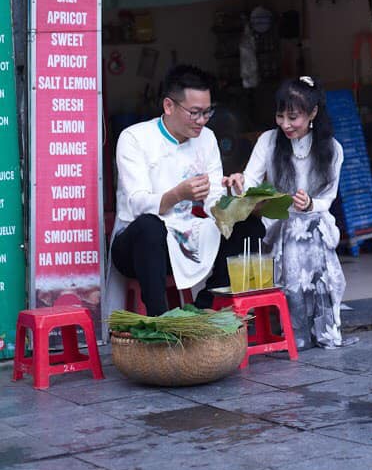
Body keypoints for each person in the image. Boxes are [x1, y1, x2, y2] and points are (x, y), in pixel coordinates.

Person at [106, 64, 263, 317]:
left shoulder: (207, 138)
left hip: (185, 237)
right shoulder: (134, 138)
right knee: (150, 226)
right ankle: (161, 321)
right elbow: (136, 204)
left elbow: (214, 202)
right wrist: (177, 195)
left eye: (207, 112)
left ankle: (206, 305)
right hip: (138, 247)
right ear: (169, 106)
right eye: (195, 113)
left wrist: (235, 198)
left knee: (248, 227)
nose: (202, 120)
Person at [224, 75, 348, 350]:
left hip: (317, 226)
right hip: (278, 228)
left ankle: (306, 329)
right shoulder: (268, 141)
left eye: (293, 117)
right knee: (294, 228)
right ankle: (304, 329)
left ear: (313, 113)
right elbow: (249, 184)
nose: (285, 124)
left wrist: (310, 204)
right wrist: (238, 183)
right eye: (280, 116)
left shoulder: (332, 149)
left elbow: (327, 199)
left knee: (308, 226)